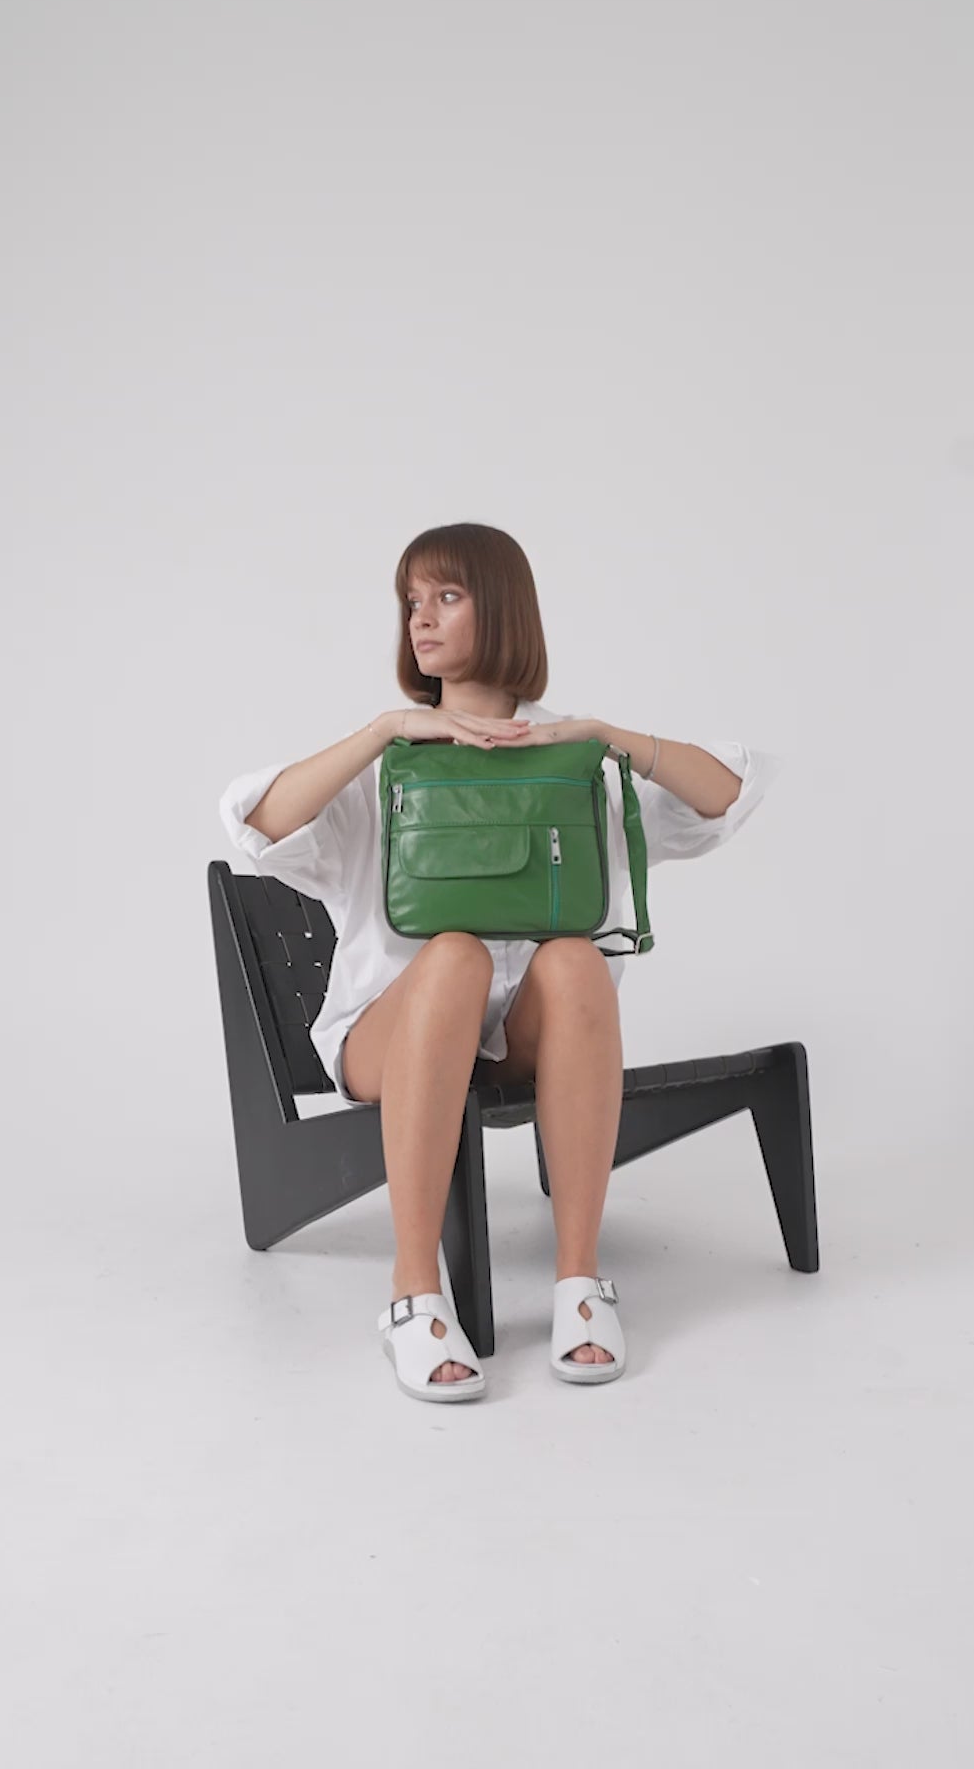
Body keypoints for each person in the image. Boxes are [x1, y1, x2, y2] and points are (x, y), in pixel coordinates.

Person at [218, 523, 783, 1402]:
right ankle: (413, 1291)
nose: (420, 619)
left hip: (522, 1041)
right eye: (412, 601)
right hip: (388, 1037)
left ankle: (578, 1280)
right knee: (453, 956)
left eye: (447, 596)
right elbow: (254, 822)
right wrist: (386, 729)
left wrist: (605, 736)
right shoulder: (392, 759)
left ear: (505, 608)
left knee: (575, 960)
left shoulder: (574, 758)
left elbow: (728, 796)